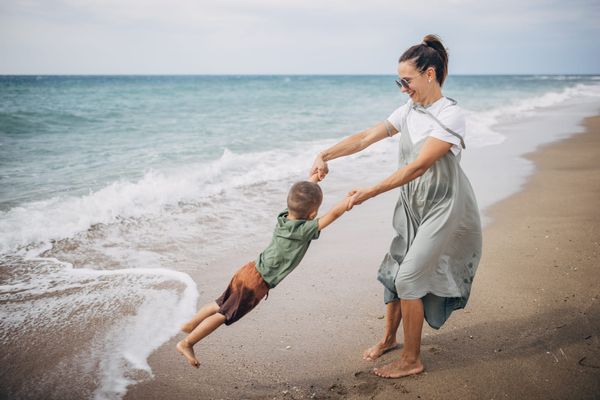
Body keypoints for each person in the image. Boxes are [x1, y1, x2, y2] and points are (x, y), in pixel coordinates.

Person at [310, 34, 482, 378]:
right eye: (398, 82)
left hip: (442, 206)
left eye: (407, 81)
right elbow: (365, 137)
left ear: (429, 75)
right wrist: (324, 154)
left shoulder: (451, 115)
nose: (403, 88)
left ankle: (412, 359)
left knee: (409, 278)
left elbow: (418, 167)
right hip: (411, 203)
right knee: (393, 272)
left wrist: (369, 191)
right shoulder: (409, 111)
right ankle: (390, 338)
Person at [176, 175, 350, 368]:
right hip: (256, 284)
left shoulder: (284, 218)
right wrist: (349, 201)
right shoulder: (303, 231)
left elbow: (300, 200)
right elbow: (332, 215)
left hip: (248, 270)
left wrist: (313, 181)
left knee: (220, 304)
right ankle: (187, 343)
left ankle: (190, 325)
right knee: (224, 315)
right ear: (312, 214)